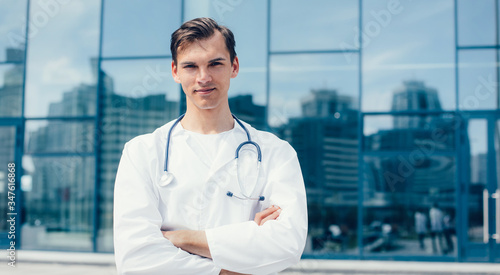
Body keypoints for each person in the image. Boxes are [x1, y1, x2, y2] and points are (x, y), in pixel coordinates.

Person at [113, 17, 308, 275]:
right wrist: (231, 267)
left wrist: (182, 238)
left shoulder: (276, 153)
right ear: (175, 71)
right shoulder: (142, 152)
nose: (203, 77)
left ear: (234, 66)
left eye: (215, 64)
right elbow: (136, 258)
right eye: (191, 66)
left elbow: (287, 244)